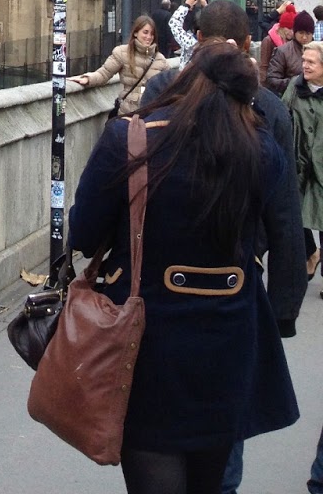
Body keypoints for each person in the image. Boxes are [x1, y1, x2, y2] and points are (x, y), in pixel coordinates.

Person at [70, 43, 299, 494]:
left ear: (186, 81)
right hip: (229, 342)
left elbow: (83, 234)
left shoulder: (129, 141)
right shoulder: (262, 151)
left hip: (147, 342)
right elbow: (275, 225)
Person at [143, 0, 307, 494]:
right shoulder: (268, 109)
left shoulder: (161, 89)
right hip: (236, 284)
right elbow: (285, 218)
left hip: (161, 284)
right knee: (224, 424)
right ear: (246, 44)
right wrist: (282, 311)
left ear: (196, 39)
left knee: (162, 414)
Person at [281, 40, 323, 283]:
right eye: (304, 61)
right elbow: (282, 115)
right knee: (297, 215)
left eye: (311, 62)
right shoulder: (295, 87)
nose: (304, 66)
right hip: (298, 164)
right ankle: (311, 253)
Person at [72, 16, 169, 115]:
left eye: (152, 34)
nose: (149, 37)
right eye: (145, 32)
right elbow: (104, 73)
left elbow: (171, 84)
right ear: (135, 33)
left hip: (152, 113)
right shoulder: (122, 53)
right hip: (128, 112)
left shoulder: (160, 59)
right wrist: (88, 79)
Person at [267, 11, 317, 96]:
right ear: (295, 32)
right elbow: (272, 79)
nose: (304, 37)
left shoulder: (319, 50)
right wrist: (296, 82)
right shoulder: (283, 51)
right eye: (301, 33)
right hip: (291, 97)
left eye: (308, 33)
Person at [259, 2, 298, 87]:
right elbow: (264, 67)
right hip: (272, 84)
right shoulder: (269, 41)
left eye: (293, 29)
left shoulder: (295, 41)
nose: (291, 32)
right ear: (282, 27)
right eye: (289, 28)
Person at [165, 0, 206, 68]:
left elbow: (174, 23)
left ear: (199, 34)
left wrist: (186, 5)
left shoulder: (191, 44)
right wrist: (207, 8)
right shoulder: (218, 46)